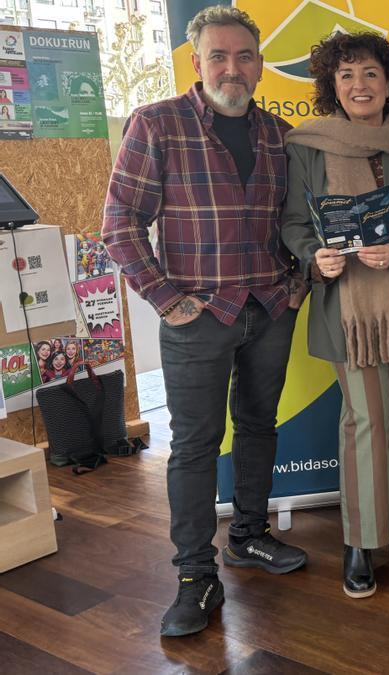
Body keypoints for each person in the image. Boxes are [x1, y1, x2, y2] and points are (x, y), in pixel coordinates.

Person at [102, 6, 308, 637]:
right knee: (192, 447)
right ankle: (196, 576)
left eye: (244, 56)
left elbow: (300, 221)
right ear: (197, 63)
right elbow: (119, 226)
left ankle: (248, 535)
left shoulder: (279, 135)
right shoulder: (156, 125)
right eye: (218, 56)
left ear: (260, 64)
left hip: (270, 310)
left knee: (258, 426)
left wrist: (298, 284)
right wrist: (165, 298)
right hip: (196, 319)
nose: (232, 68)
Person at [281, 31, 389, 600]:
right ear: (333, 86)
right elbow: (292, 223)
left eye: (370, 74)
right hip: (349, 310)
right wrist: (315, 255)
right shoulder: (305, 147)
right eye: (347, 75)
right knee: (367, 421)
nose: (360, 85)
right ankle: (361, 540)